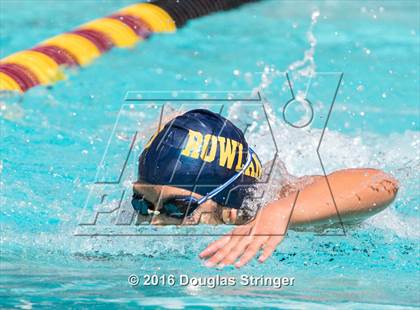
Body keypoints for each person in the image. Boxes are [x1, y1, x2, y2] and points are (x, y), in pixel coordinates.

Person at [132, 109, 399, 267]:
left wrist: (284, 212)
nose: (154, 221)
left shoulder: (272, 206)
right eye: (141, 202)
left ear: (229, 207)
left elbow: (381, 183)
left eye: (177, 208)